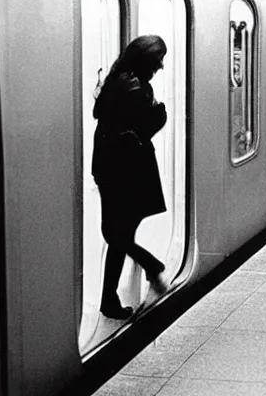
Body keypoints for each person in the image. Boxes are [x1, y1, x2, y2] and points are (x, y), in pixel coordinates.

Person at [92, 35, 168, 320]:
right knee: (118, 233)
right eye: (157, 61)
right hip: (129, 169)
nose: (160, 67)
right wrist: (160, 111)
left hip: (108, 166)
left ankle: (109, 299)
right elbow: (150, 123)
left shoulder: (115, 79)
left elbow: (101, 115)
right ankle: (152, 267)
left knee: (116, 233)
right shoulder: (136, 88)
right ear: (146, 62)